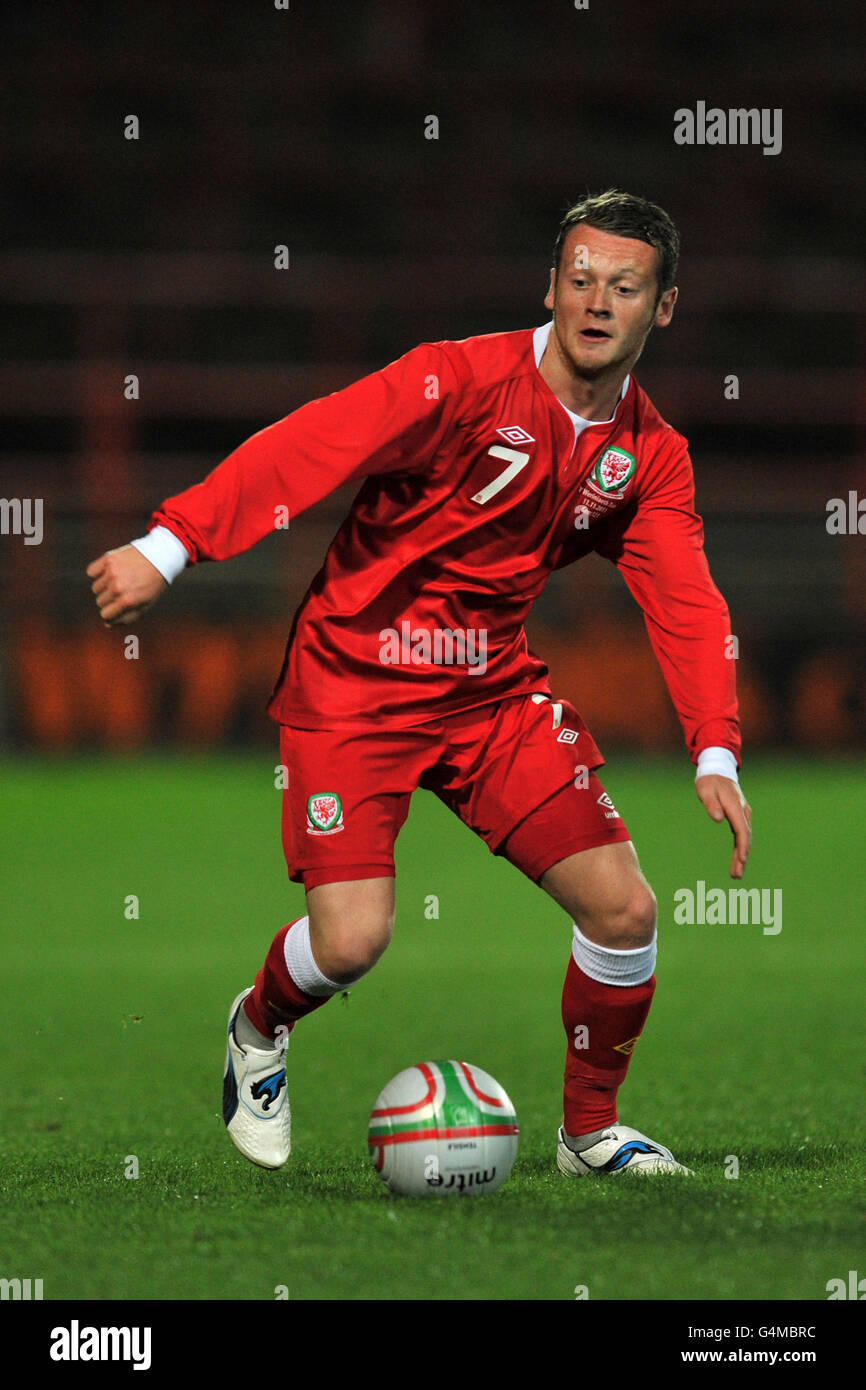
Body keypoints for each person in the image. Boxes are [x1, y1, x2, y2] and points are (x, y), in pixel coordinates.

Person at [88, 189, 751, 1179]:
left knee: (624, 911)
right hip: (353, 683)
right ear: (550, 285)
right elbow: (310, 442)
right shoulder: (455, 380)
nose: (594, 301)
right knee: (350, 943)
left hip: (488, 694)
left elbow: (684, 596)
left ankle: (587, 1132)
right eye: (577, 279)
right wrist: (171, 543)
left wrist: (712, 746)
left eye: (621, 285)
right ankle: (258, 1026)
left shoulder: (646, 456)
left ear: (661, 307)